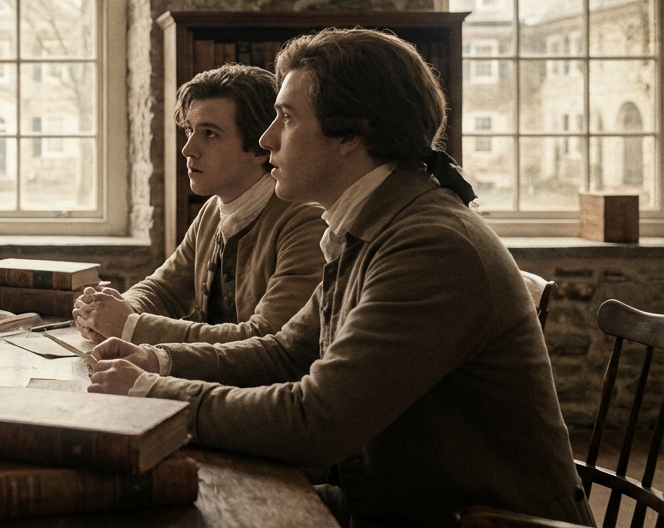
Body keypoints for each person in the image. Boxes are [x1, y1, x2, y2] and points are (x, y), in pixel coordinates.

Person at [87, 29, 592, 527]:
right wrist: (157, 359)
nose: (266, 139)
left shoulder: (430, 245)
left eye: (286, 118)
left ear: (351, 134)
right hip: (389, 501)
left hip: (472, 522)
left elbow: (317, 423)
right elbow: (285, 352)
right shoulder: (373, 224)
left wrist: (155, 391)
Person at [73, 64, 323, 345]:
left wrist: (130, 326)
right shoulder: (214, 211)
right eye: (189, 130)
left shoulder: (305, 224)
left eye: (210, 134)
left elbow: (265, 338)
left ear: (259, 148)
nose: (188, 149)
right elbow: (163, 291)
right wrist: (111, 309)